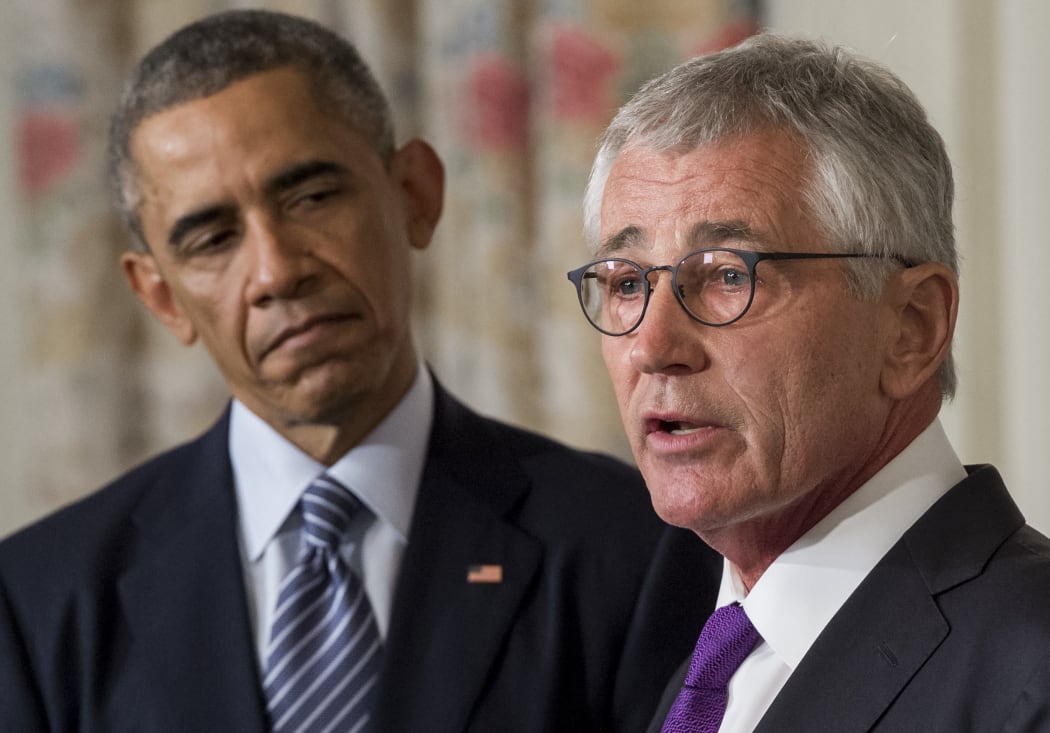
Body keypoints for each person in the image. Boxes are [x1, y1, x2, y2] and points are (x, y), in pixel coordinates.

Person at [0, 10, 719, 732]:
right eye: (213, 238)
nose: (277, 271)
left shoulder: (632, 547)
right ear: (160, 296)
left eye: (311, 198)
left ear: (414, 193)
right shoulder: (37, 603)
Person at [567, 33, 1050, 732]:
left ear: (911, 326)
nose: (652, 345)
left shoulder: (1031, 671)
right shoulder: (705, 670)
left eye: (729, 275)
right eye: (627, 282)